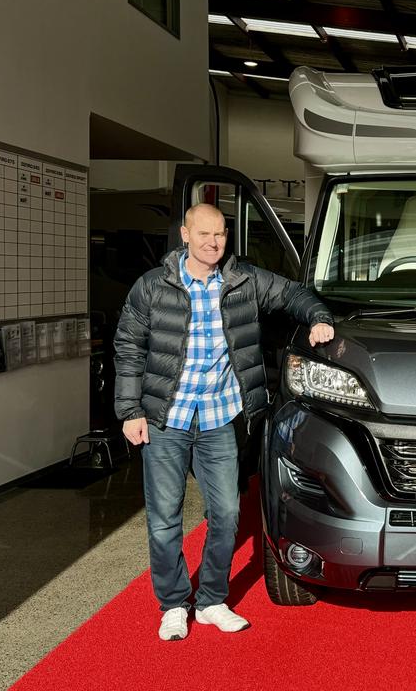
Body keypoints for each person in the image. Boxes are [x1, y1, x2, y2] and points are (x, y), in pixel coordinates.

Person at [114, 203, 335, 641]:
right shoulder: (153, 286)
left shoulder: (244, 280)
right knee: (164, 520)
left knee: (228, 513)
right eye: (203, 234)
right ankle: (173, 604)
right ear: (185, 235)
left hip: (219, 418)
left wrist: (319, 319)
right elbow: (129, 346)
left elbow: (294, 294)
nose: (213, 243)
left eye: (219, 234)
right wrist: (129, 411)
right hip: (165, 419)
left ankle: (211, 600)